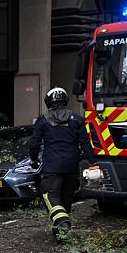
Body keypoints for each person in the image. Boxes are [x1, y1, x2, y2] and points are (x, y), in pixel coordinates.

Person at [28, 87, 97, 239]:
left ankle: (62, 221)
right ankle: (60, 233)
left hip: (52, 167)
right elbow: (86, 144)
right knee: (66, 198)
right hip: (72, 167)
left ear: (48, 102)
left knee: (49, 195)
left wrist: (33, 160)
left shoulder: (42, 121)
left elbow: (34, 144)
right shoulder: (77, 120)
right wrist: (93, 163)